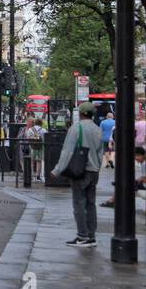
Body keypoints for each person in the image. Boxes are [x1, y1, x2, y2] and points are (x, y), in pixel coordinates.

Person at [51, 102, 106, 247]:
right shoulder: (97, 129)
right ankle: (91, 236)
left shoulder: (76, 128)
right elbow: (101, 153)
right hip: (94, 171)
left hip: (81, 171)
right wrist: (97, 167)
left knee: (79, 204)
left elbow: (67, 151)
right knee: (91, 204)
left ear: (80, 113)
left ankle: (82, 236)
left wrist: (57, 170)